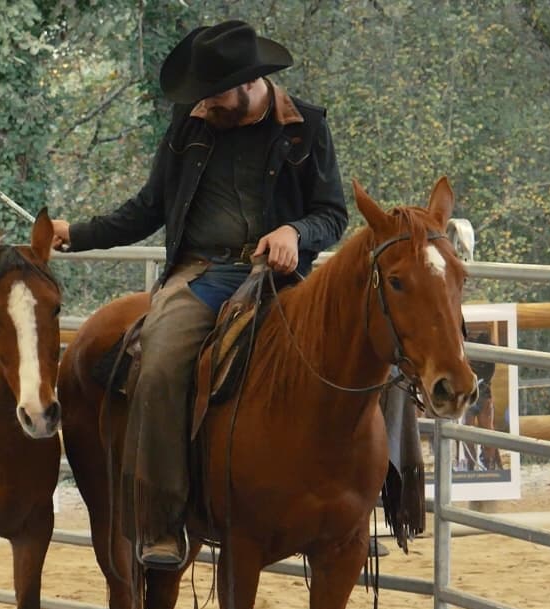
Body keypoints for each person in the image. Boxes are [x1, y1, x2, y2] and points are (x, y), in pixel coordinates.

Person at [49, 20, 348, 569]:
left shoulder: (306, 127)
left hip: (279, 278)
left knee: (368, 345)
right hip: (202, 275)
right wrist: (80, 232)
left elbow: (332, 215)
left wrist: (294, 233)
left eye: (212, 94)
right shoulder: (190, 124)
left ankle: (367, 502)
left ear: (248, 84)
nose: (203, 104)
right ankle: (161, 522)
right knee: (160, 363)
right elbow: (148, 208)